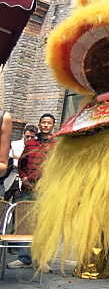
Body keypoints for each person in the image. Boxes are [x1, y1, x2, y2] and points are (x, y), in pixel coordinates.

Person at [9, 113, 56, 268]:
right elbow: (21, 164)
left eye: (49, 123)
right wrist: (24, 179)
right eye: (43, 122)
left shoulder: (56, 146)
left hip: (46, 190)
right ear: (39, 124)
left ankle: (41, 260)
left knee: (43, 224)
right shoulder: (30, 144)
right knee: (26, 223)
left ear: (53, 126)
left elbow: (58, 168)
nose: (46, 125)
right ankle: (24, 258)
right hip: (28, 189)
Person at [3, 123, 37, 202]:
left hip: (22, 182)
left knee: (18, 206)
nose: (29, 139)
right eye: (27, 136)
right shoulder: (14, 145)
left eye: (32, 137)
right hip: (10, 178)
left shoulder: (35, 148)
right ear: (23, 134)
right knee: (3, 204)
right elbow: (8, 160)